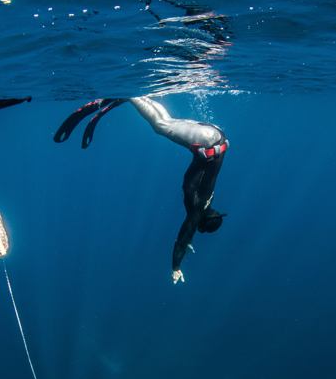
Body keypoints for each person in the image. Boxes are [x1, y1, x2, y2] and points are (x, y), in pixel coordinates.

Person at [54, 97, 228, 284]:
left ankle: (142, 95)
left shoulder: (207, 201)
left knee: (167, 120)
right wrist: (176, 267)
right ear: (201, 224)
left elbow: (189, 232)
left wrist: (189, 239)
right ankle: (130, 95)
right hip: (205, 143)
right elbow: (182, 239)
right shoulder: (196, 213)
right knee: (160, 126)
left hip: (217, 137)